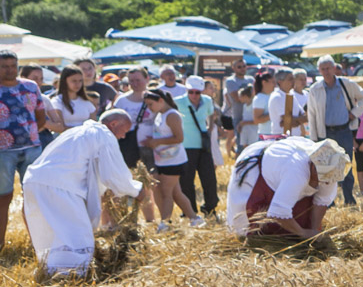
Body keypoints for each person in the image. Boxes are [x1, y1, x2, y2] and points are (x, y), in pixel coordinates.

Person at [19, 111, 149, 276]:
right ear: (114, 124)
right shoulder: (103, 135)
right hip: (59, 186)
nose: (123, 136)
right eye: (124, 130)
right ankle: (70, 278)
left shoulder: (77, 132)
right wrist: (136, 190)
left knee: (53, 235)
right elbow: (114, 175)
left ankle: (51, 274)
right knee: (77, 237)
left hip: (35, 182)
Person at [226, 137, 350, 239]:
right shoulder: (296, 171)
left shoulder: (331, 168)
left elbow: (321, 201)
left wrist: (314, 231)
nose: (326, 182)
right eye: (323, 177)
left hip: (286, 171)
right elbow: (278, 212)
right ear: (313, 166)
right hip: (259, 175)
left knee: (300, 225)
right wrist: (303, 233)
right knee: (252, 231)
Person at [0, 50, 49, 248]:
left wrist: (29, 132)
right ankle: (1, 243)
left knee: (34, 195)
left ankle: (38, 242)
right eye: (4, 66)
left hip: (32, 148)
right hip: (3, 151)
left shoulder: (30, 86)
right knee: (3, 197)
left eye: (13, 65)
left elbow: (40, 115)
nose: (9, 70)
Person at [305, 56, 363, 208]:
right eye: (323, 69)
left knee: (346, 165)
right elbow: (312, 114)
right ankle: (329, 201)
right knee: (326, 168)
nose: (326, 72)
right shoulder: (315, 89)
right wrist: (314, 139)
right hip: (325, 133)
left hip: (343, 131)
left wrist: (354, 113)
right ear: (319, 71)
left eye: (328, 68)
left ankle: (349, 198)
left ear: (334, 69)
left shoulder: (345, 84)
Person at [141, 87, 202, 230]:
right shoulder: (160, 114)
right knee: (176, 193)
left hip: (174, 161)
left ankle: (165, 223)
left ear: (160, 100)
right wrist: (154, 140)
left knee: (166, 192)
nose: (149, 108)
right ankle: (194, 218)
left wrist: (157, 142)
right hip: (163, 159)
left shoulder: (172, 115)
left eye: (151, 104)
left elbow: (179, 138)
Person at [175, 76, 220, 220]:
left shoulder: (207, 101)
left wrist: (210, 128)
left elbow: (212, 115)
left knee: (210, 179)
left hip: (203, 146)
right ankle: (190, 211)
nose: (194, 95)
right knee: (187, 181)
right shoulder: (178, 102)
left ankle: (210, 208)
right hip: (186, 147)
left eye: (197, 92)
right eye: (191, 92)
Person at [45, 67, 96, 139]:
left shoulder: (86, 102)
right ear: (64, 81)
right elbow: (61, 127)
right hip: (66, 141)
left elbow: (94, 124)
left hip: (86, 140)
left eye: (80, 81)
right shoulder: (57, 101)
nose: (77, 84)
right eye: (74, 81)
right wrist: (82, 131)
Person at [270, 69, 308, 138]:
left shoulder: (291, 95)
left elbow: (305, 116)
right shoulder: (277, 97)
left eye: (293, 78)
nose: (293, 81)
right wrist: (296, 121)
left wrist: (293, 121)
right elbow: (287, 122)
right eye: (290, 79)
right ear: (280, 82)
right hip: (281, 139)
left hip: (294, 139)